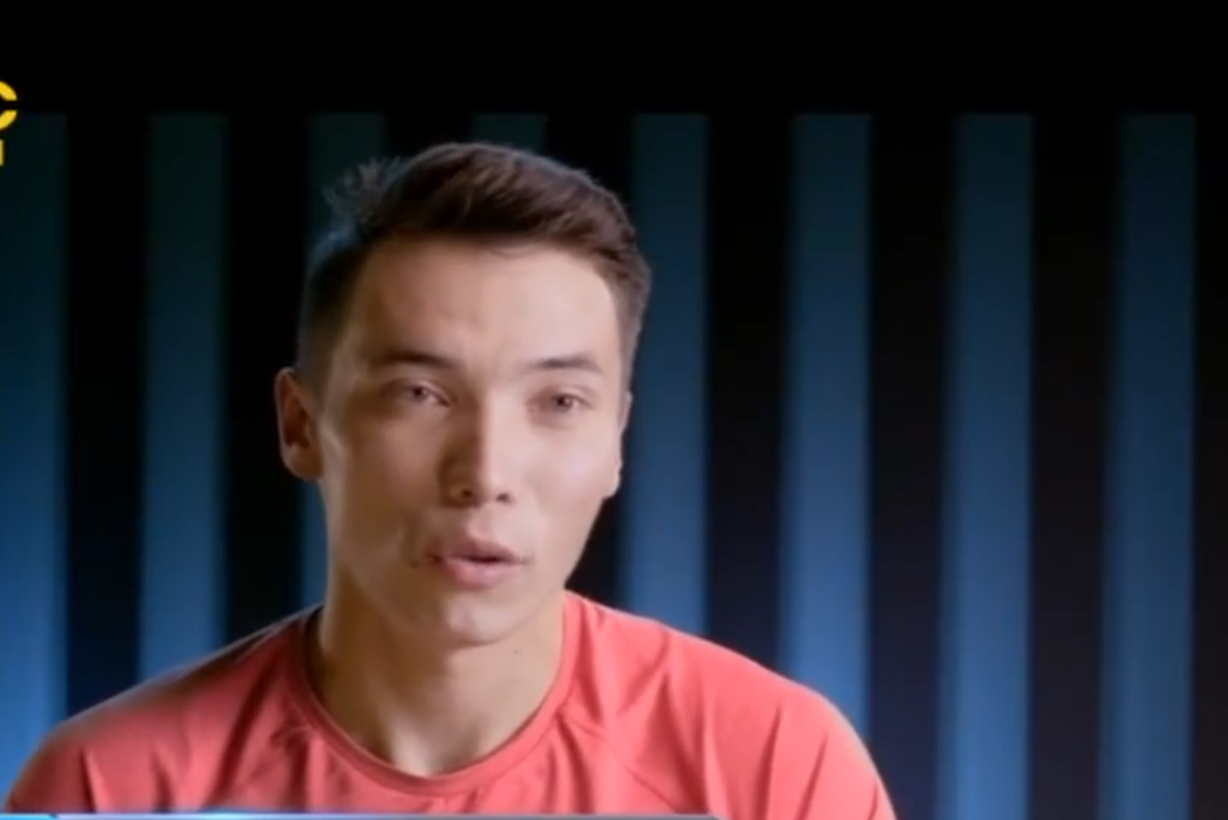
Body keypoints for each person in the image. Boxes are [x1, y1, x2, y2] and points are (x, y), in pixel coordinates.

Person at [2, 142, 895, 819]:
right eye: (420, 394)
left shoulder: (774, 768)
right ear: (301, 425)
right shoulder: (108, 787)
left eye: (558, 401)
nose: (487, 474)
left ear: (616, 440)